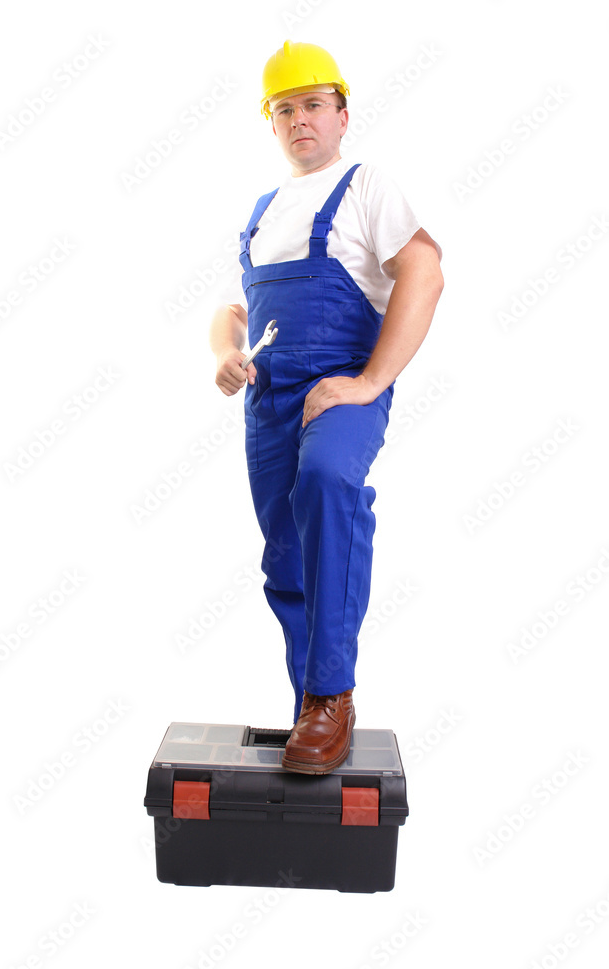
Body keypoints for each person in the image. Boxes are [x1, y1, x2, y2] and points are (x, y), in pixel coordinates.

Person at [209, 41, 444, 775]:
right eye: (284, 110)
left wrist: (370, 381)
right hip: (269, 401)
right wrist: (224, 353)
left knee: (327, 484)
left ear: (342, 114)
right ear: (271, 123)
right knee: (285, 556)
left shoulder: (366, 185)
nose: (299, 120)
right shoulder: (264, 210)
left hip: (337, 386)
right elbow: (234, 311)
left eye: (313, 104)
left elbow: (425, 269)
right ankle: (309, 705)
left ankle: (331, 696)